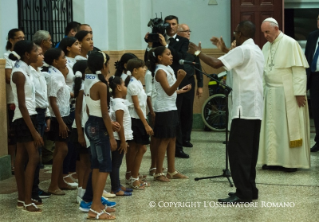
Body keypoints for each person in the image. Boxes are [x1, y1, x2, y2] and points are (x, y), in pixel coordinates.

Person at [188, 20, 264, 203]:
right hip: (254, 110)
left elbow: (215, 64)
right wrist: (224, 50)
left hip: (242, 110)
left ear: (240, 34)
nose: (234, 34)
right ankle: (250, 190)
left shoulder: (243, 50)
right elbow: (237, 60)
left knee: (238, 153)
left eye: (236, 32)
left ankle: (243, 193)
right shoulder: (256, 50)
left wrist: (197, 52)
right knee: (250, 153)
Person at [258, 18, 310, 172]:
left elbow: (299, 71)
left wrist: (300, 92)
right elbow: (262, 72)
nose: (265, 35)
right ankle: (272, 160)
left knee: (287, 128)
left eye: (267, 32)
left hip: (288, 92)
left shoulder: (290, 43)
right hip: (270, 92)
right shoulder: (266, 46)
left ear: (276, 28)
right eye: (263, 33)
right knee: (271, 127)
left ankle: (290, 162)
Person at [10, 40, 44, 212]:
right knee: (34, 157)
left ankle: (22, 199)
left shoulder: (25, 69)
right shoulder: (19, 73)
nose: (38, 54)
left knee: (23, 157)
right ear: (26, 55)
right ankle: (27, 199)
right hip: (24, 119)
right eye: (35, 52)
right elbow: (22, 105)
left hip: (29, 116)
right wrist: (34, 132)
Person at [148, 46, 190, 182]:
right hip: (163, 109)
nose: (171, 56)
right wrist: (180, 79)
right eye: (168, 54)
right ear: (160, 57)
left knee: (172, 138)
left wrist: (181, 90)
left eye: (171, 54)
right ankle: (158, 172)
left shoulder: (169, 68)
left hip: (171, 107)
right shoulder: (160, 71)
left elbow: (172, 91)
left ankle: (171, 170)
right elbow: (168, 91)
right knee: (164, 139)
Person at [84, 51, 116, 220]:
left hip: (90, 124)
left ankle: (96, 203)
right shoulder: (101, 85)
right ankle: (95, 207)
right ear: (103, 65)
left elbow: (89, 108)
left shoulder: (87, 81)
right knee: (104, 167)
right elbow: (105, 113)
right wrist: (111, 136)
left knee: (96, 165)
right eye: (108, 63)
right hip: (99, 124)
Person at [44, 48, 75, 195]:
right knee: (62, 149)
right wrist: (61, 122)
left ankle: (60, 181)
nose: (66, 60)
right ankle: (53, 185)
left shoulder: (57, 73)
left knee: (61, 149)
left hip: (64, 114)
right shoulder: (54, 76)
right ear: (55, 61)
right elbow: (52, 99)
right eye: (63, 57)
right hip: (60, 117)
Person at [125, 58, 153, 190]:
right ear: (135, 70)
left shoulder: (137, 82)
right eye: (142, 67)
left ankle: (132, 175)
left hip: (138, 118)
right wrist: (146, 124)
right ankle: (134, 178)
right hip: (135, 119)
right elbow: (137, 107)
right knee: (141, 148)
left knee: (136, 148)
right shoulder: (133, 84)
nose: (145, 69)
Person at [29, 45, 52, 203]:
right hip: (35, 113)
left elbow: (44, 96)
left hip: (42, 113)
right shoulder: (28, 74)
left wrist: (48, 115)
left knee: (38, 153)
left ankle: (35, 187)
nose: (42, 57)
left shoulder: (40, 73)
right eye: (39, 54)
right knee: (34, 154)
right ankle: (31, 190)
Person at [177, 23, 203, 148]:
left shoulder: (192, 47)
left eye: (189, 31)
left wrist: (200, 85)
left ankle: (186, 139)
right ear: (178, 33)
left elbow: (198, 66)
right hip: (177, 82)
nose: (189, 33)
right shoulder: (175, 45)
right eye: (186, 31)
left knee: (188, 111)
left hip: (189, 81)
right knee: (178, 111)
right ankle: (178, 139)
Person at [4, 28, 25, 173]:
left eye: (23, 38)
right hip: (13, 99)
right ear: (11, 40)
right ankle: (12, 162)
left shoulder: (24, 56)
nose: (21, 41)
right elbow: (8, 77)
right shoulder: (8, 56)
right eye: (18, 38)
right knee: (12, 133)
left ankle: (20, 160)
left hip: (24, 98)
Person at [109, 76, 134, 196]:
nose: (125, 87)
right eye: (124, 85)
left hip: (120, 138)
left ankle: (118, 185)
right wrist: (123, 141)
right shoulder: (118, 104)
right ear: (118, 87)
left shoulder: (119, 102)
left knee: (117, 163)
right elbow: (120, 125)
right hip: (119, 138)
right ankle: (115, 188)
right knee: (116, 164)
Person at [71, 60, 91, 204]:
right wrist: (79, 134)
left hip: (84, 127)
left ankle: (83, 192)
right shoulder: (83, 88)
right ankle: (82, 193)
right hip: (81, 127)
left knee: (85, 163)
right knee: (84, 163)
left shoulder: (87, 86)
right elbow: (78, 113)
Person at [305, 20, 319, 152]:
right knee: (316, 110)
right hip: (315, 77)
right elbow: (307, 57)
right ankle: (318, 141)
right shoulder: (313, 36)